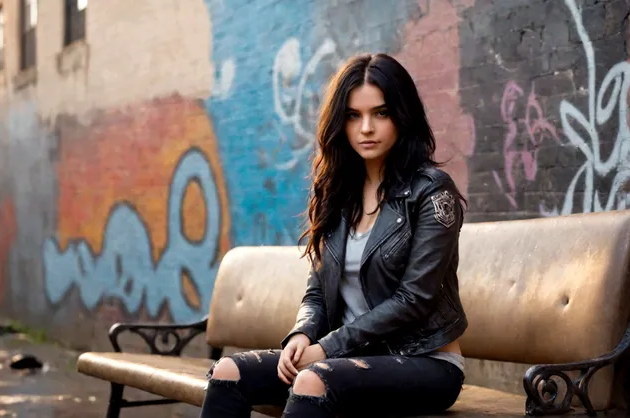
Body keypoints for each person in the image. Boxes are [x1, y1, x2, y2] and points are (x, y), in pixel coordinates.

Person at [199, 52, 469, 417]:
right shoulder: (338, 193)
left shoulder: (432, 192)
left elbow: (414, 299)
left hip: (425, 362)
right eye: (353, 116)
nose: (366, 128)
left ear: (402, 116)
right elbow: (317, 292)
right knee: (228, 372)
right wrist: (302, 334)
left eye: (381, 113)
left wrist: (326, 348)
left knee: (313, 380)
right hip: (345, 358)